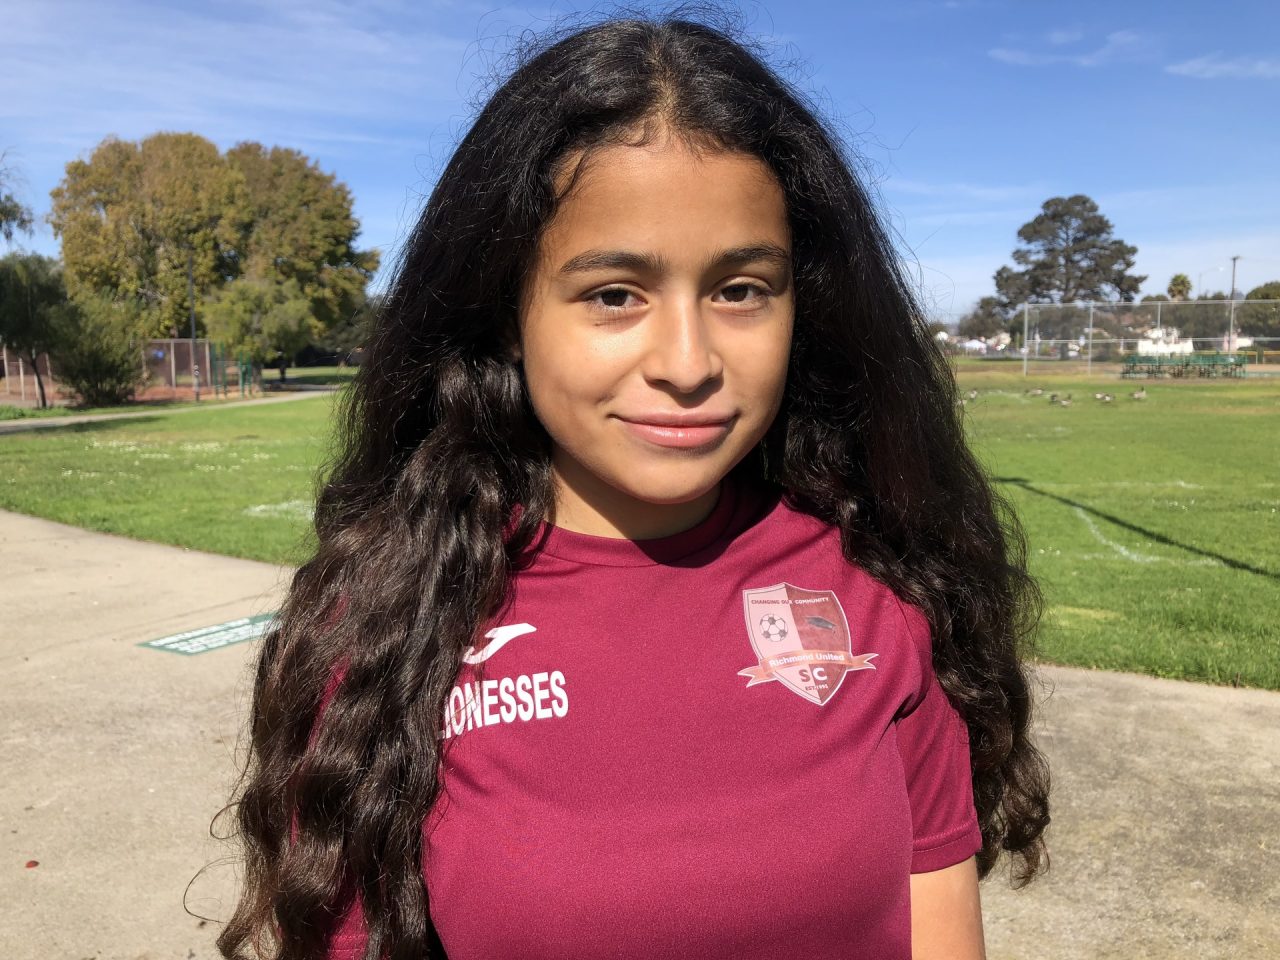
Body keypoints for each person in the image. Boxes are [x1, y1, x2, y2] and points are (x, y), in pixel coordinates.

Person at [215, 10, 1050, 960]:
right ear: (508, 314)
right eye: (614, 294)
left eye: (740, 289)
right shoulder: (393, 630)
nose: (688, 363)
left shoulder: (881, 590)